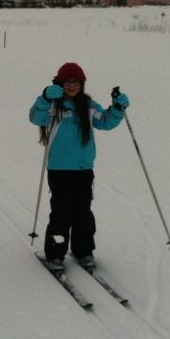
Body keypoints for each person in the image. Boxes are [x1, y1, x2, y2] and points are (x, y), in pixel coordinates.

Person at [29, 62, 129, 270]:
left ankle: (83, 251)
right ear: (60, 83)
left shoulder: (88, 106)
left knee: (83, 212)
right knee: (61, 213)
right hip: (59, 170)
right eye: (68, 82)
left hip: (84, 170)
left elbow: (106, 121)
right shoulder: (54, 105)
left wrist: (118, 108)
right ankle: (56, 253)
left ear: (82, 84)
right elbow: (36, 117)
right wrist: (45, 97)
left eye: (76, 82)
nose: (72, 86)